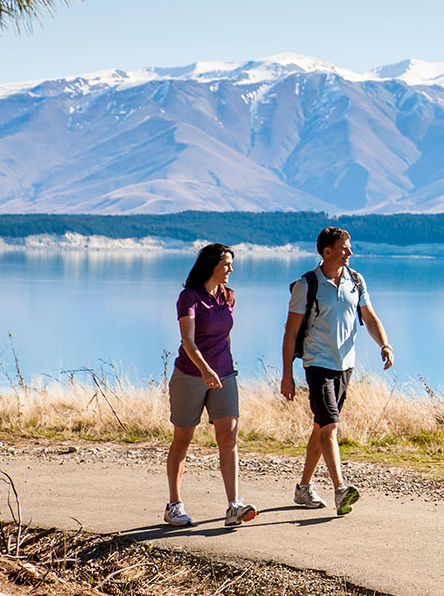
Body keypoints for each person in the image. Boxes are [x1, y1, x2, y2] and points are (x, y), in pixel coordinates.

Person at [281, 226, 393, 515]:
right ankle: (340, 488)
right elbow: (291, 331)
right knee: (330, 425)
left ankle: (303, 488)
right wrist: (287, 375)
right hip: (317, 363)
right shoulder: (307, 285)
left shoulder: (356, 280)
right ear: (327, 251)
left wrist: (384, 344)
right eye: (345, 247)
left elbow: (368, 316)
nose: (350, 252)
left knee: (321, 426)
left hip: (346, 365)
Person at [164, 243, 258, 527]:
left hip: (225, 375)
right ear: (211, 265)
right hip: (191, 376)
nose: (231, 269)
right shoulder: (189, 297)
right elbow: (188, 342)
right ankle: (174, 506)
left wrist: (223, 366)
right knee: (183, 440)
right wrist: (205, 369)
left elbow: (224, 335)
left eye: (231, 264)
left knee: (229, 438)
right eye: (226, 264)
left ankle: (234, 505)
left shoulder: (229, 297)